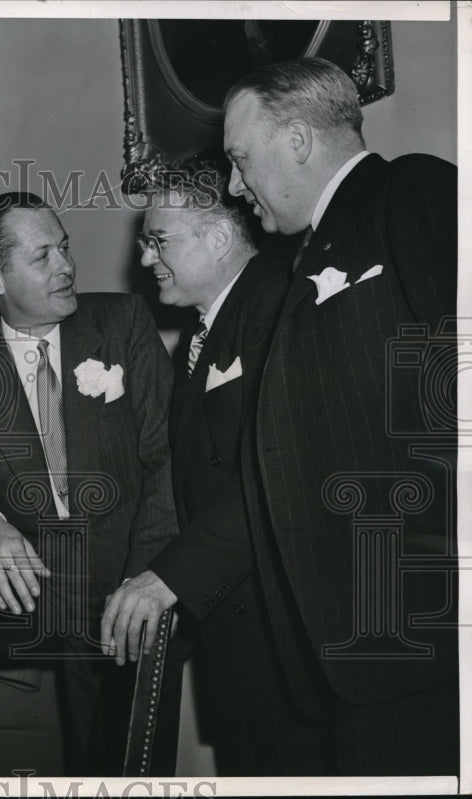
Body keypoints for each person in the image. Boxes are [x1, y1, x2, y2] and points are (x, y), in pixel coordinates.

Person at [0, 192, 180, 776]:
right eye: (42, 256)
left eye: (64, 248)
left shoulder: (121, 323)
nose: (66, 266)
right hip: (24, 586)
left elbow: (167, 462)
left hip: (119, 572)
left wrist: (149, 576)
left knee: (110, 743)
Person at [222, 57, 457, 775]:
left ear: (296, 142)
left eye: (239, 159)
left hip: (421, 628)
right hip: (351, 647)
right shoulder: (302, 259)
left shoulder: (412, 190)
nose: (235, 185)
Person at [129, 159, 333, 774]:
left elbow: (275, 476)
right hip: (242, 647)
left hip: (290, 650)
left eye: (157, 240)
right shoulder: (207, 330)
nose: (144, 260)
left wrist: (168, 579)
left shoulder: (278, 306)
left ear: (218, 237)